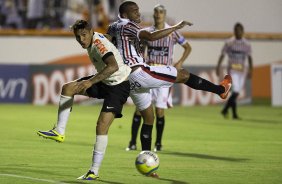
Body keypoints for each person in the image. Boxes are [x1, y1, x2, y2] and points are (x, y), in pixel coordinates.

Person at [107, 1, 232, 153]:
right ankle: (221, 90)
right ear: (125, 14)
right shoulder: (129, 26)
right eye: (134, 11)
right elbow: (151, 37)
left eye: (138, 10)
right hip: (140, 72)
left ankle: (146, 158)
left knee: (149, 118)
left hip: (127, 79)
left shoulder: (113, 27)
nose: (138, 13)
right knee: (184, 75)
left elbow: (108, 41)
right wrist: (175, 27)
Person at [37, 19, 132, 180]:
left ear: (91, 32)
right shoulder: (96, 39)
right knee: (68, 88)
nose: (81, 39)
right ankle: (59, 131)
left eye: (84, 35)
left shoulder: (98, 45)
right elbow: (107, 38)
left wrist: (90, 81)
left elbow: (113, 66)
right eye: (77, 37)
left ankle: (94, 171)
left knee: (101, 126)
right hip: (105, 81)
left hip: (118, 85)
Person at [126, 4, 192, 152]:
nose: (157, 15)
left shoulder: (173, 33)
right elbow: (140, 47)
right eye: (156, 13)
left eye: (160, 13)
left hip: (164, 75)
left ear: (164, 15)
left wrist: (180, 62)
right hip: (148, 74)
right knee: (139, 109)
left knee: (159, 111)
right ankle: (132, 142)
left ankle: (158, 143)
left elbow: (188, 47)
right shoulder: (148, 32)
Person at [216, 22, 253, 120]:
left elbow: (249, 57)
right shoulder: (229, 42)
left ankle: (231, 113)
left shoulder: (246, 44)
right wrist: (218, 66)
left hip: (242, 70)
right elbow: (222, 54)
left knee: (236, 92)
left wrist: (251, 70)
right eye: (236, 30)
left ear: (243, 31)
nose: (238, 32)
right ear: (234, 31)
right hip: (232, 69)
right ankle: (226, 110)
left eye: (240, 31)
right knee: (236, 91)